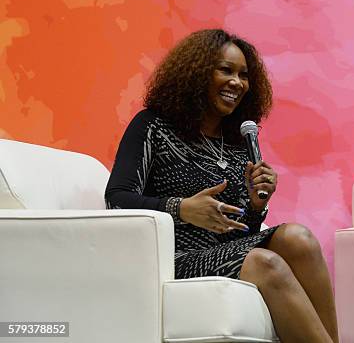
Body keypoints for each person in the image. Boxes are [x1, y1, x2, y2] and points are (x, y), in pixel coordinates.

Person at [105, 29, 339, 343]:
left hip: (224, 251)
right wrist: (182, 208)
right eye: (225, 70)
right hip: (173, 257)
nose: (237, 83)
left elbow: (240, 230)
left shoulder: (237, 144)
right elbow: (117, 199)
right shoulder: (153, 125)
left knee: (299, 238)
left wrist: (255, 206)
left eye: (244, 75)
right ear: (197, 73)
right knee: (264, 263)